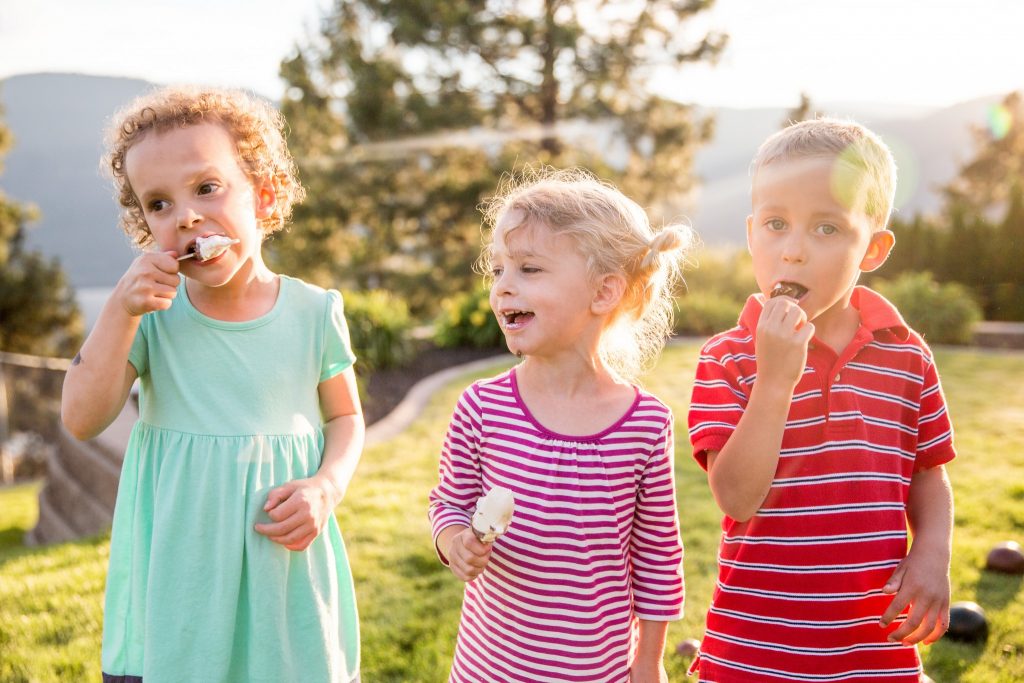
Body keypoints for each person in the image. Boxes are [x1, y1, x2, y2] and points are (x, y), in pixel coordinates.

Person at [61, 86, 364, 683]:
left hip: (282, 564)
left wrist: (326, 488)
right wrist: (118, 313)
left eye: (206, 188)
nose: (186, 216)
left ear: (265, 194)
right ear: (144, 224)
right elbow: (82, 417)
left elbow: (346, 419)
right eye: (159, 204)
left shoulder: (313, 311)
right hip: (181, 580)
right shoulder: (152, 317)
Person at [687, 118, 956, 681]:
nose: (793, 252)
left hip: (873, 645)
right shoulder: (729, 357)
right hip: (754, 645)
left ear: (874, 248)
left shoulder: (907, 356)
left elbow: (928, 473)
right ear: (751, 231)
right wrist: (776, 380)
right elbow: (736, 498)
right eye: (776, 224)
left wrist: (932, 553)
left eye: (827, 229)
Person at [428, 168, 691, 683]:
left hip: (596, 669)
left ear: (603, 292)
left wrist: (650, 662)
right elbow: (448, 504)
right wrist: (455, 541)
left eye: (528, 269)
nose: (503, 288)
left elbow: (657, 554)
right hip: (490, 668)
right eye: (498, 270)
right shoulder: (481, 407)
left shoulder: (644, 423)